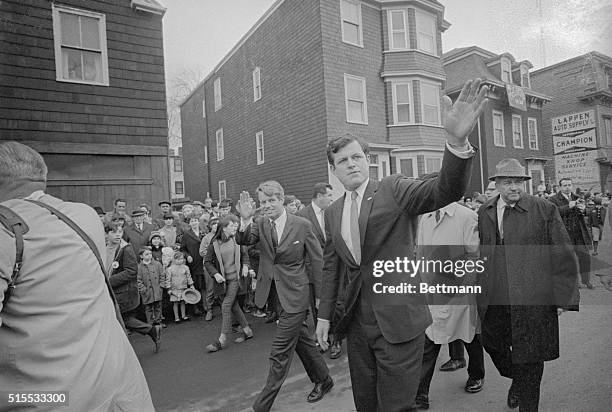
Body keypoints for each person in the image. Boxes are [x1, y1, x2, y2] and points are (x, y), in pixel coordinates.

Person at [315, 78, 488, 412]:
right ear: (333, 170)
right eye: (342, 161)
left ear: (367, 160)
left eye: (356, 157)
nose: (351, 164)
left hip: (398, 320)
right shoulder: (333, 212)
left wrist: (456, 142)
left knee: (396, 406)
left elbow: (443, 191)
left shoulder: (393, 189)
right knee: (367, 404)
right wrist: (324, 317)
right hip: (358, 327)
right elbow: (332, 267)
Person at [0, 141, 154, 411]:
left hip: (52, 397)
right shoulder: (84, 216)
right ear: (43, 178)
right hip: (120, 385)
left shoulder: (5, 231)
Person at [477, 158, 579, 411]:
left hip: (533, 296)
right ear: (497, 183)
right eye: (508, 182)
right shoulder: (486, 210)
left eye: (519, 182)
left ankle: (527, 401)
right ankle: (519, 381)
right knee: (491, 343)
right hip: (497, 296)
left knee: (531, 356)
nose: (515, 187)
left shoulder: (544, 209)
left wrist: (564, 297)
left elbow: (563, 252)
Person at [236, 180, 333, 411]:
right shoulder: (260, 223)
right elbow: (244, 240)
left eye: (271, 200)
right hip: (272, 295)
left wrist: (321, 297)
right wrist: (246, 219)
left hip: (297, 295)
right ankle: (324, 380)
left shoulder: (302, 224)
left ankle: (261, 406)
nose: (267, 205)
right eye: (263, 202)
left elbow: (318, 261)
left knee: (279, 351)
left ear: (281, 199)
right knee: (302, 341)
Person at [415, 202, 485, 410]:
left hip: (459, 287)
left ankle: (476, 374)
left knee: (470, 334)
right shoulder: (425, 216)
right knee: (431, 338)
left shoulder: (467, 216)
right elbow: (420, 252)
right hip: (431, 287)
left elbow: (473, 254)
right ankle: (421, 393)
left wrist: (464, 285)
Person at [296, 182, 344, 359]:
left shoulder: (334, 213)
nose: (332, 199)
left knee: (337, 305)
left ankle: (337, 340)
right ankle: (323, 339)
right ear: (319, 196)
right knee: (318, 308)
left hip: (335, 269)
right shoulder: (302, 216)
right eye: (329, 195)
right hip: (312, 273)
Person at [106, 222, 162, 352]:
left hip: (123, 293)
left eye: (119, 232)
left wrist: (109, 281)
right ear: (106, 234)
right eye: (113, 232)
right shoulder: (104, 248)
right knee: (123, 320)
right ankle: (152, 331)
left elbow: (131, 271)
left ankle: (123, 351)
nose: (117, 235)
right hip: (112, 292)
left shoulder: (125, 248)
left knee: (120, 320)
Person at [204, 215, 254, 352]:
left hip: (236, 280)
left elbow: (245, 256)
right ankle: (247, 330)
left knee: (226, 305)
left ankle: (222, 339)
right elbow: (207, 262)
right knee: (234, 306)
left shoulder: (237, 240)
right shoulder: (214, 244)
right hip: (222, 282)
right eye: (232, 225)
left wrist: (245, 266)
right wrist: (216, 274)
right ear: (224, 227)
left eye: (236, 225)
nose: (235, 227)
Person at [549, 178, 593, 288]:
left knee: (585, 257)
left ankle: (586, 280)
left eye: (569, 185)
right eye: (564, 185)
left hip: (579, 233)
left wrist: (584, 210)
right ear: (560, 187)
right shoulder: (552, 199)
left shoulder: (577, 197)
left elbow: (588, 211)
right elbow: (552, 213)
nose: (567, 187)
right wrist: (568, 206)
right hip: (564, 234)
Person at [180, 216, 206, 316]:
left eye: (195, 220)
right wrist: (188, 256)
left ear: (199, 222)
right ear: (189, 223)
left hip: (204, 261)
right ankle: (197, 307)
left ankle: (206, 306)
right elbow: (182, 249)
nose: (194, 223)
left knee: (205, 285)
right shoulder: (187, 235)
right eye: (192, 221)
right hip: (194, 262)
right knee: (196, 285)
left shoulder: (204, 232)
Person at [137, 247, 166, 327]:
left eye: (150, 254)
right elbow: (138, 280)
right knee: (148, 308)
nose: (149, 256)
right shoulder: (139, 267)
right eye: (146, 254)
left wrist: (161, 286)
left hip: (157, 289)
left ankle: (158, 321)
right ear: (141, 256)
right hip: (146, 292)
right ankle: (150, 323)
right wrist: (143, 289)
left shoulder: (157, 264)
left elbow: (162, 275)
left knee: (158, 307)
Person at [199, 216, 220, 321]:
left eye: (217, 223)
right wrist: (212, 251)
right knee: (210, 288)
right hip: (209, 265)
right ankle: (209, 310)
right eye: (213, 224)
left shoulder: (223, 236)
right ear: (210, 226)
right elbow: (201, 252)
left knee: (222, 286)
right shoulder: (206, 238)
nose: (216, 225)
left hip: (221, 265)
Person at [166, 251, 195, 323]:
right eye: (178, 259)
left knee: (183, 302)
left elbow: (189, 277)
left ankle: (183, 316)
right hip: (174, 289)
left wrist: (191, 285)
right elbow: (168, 279)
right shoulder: (170, 269)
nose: (180, 260)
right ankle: (176, 318)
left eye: (182, 259)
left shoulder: (185, 267)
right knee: (175, 303)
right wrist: (168, 288)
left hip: (183, 288)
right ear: (174, 259)